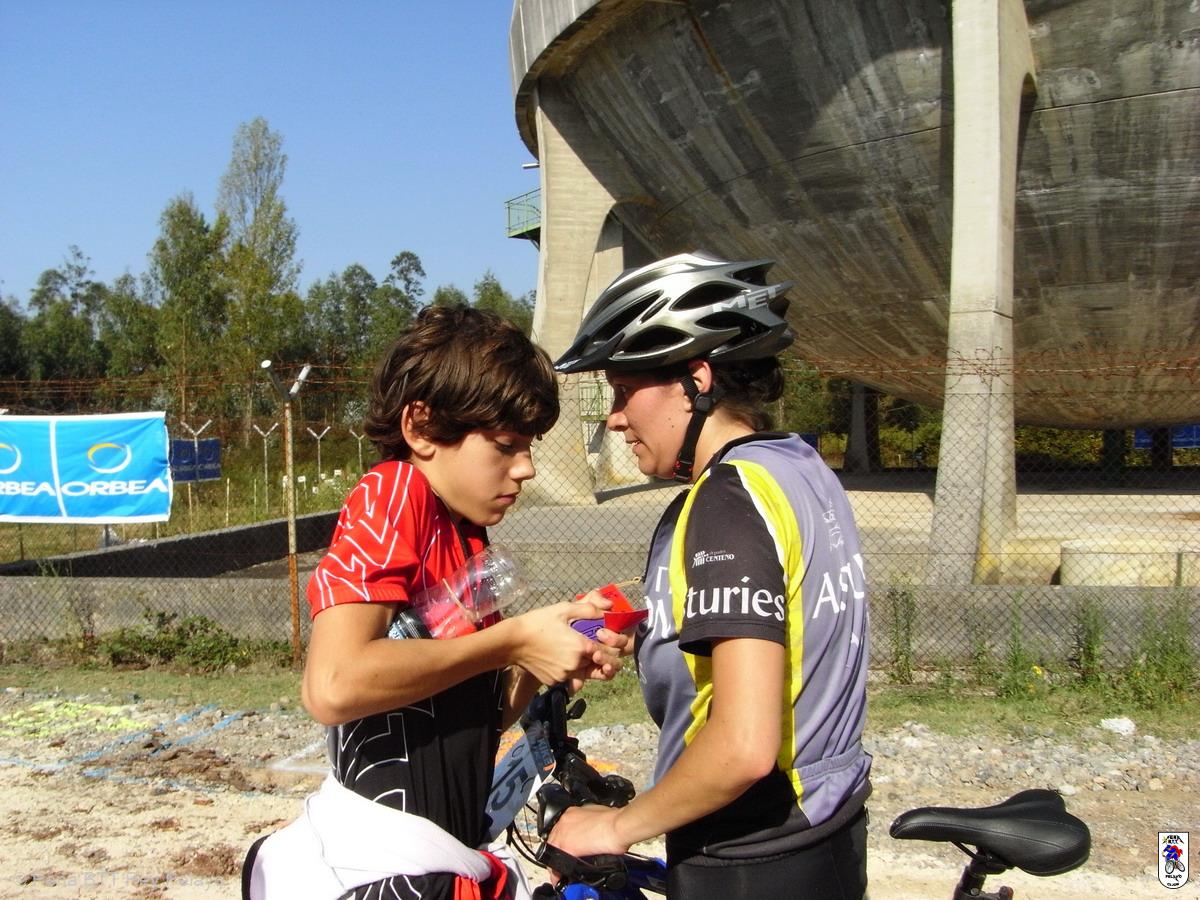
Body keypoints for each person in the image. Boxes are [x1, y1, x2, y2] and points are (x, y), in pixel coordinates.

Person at [243, 305, 624, 900]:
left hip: (440, 855)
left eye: (529, 447)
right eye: (506, 445)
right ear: (421, 428)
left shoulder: (466, 531)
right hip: (382, 865)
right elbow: (333, 685)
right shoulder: (396, 493)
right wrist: (514, 639)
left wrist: (541, 657)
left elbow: (473, 720)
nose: (525, 468)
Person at [547, 252, 872, 899]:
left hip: (749, 853)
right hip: (827, 828)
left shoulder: (727, 499)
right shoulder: (797, 467)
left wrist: (615, 826)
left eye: (623, 391)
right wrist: (652, 635)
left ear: (696, 379)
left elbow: (745, 745)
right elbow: (790, 625)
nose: (615, 417)